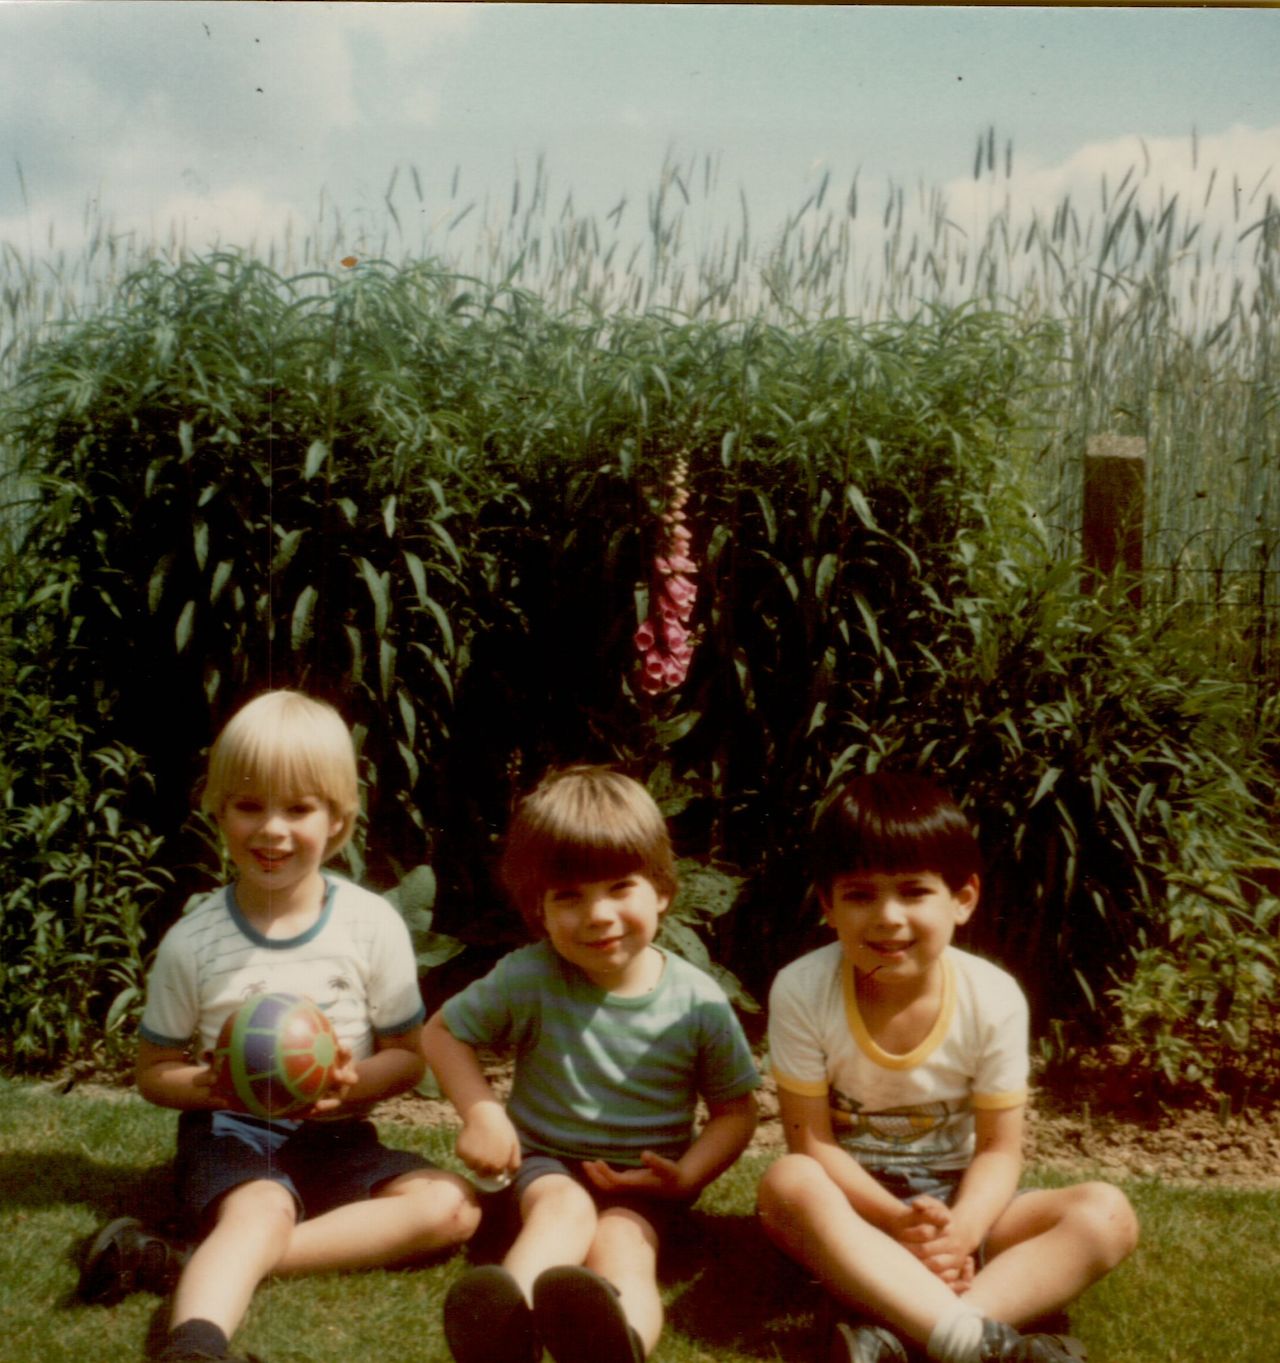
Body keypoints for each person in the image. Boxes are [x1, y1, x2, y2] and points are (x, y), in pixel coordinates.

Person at [77, 690, 480, 1363]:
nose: (272, 829)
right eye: (249, 805)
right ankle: (196, 1347)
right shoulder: (194, 942)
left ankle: (178, 1259)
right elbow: (152, 1072)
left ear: (338, 821)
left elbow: (408, 1056)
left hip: (338, 1135)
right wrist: (210, 1086)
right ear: (218, 811)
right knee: (262, 1207)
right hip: (235, 1134)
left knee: (452, 1206)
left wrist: (351, 1085)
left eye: (298, 808)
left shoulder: (370, 925)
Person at [757, 772, 1138, 1363]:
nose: (888, 917)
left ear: (963, 899)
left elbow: (998, 1150)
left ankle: (910, 1332)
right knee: (786, 1184)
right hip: (855, 1212)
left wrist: (960, 1230)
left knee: (1107, 1213)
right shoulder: (803, 989)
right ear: (828, 905)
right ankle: (977, 1343)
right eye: (860, 894)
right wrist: (896, 1221)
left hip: (965, 1202)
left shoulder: (994, 996)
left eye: (913, 892)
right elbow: (812, 1142)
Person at [422, 765, 761, 1363]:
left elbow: (735, 1112)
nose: (597, 915)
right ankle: (507, 1329)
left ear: (661, 889)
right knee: (565, 1206)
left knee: (621, 1242)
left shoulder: (698, 1002)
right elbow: (444, 1032)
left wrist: (688, 1176)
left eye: (618, 887)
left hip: (647, 1185)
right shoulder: (531, 975)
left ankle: (619, 1341)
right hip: (545, 1167)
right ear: (540, 911)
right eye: (569, 896)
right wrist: (482, 1113)